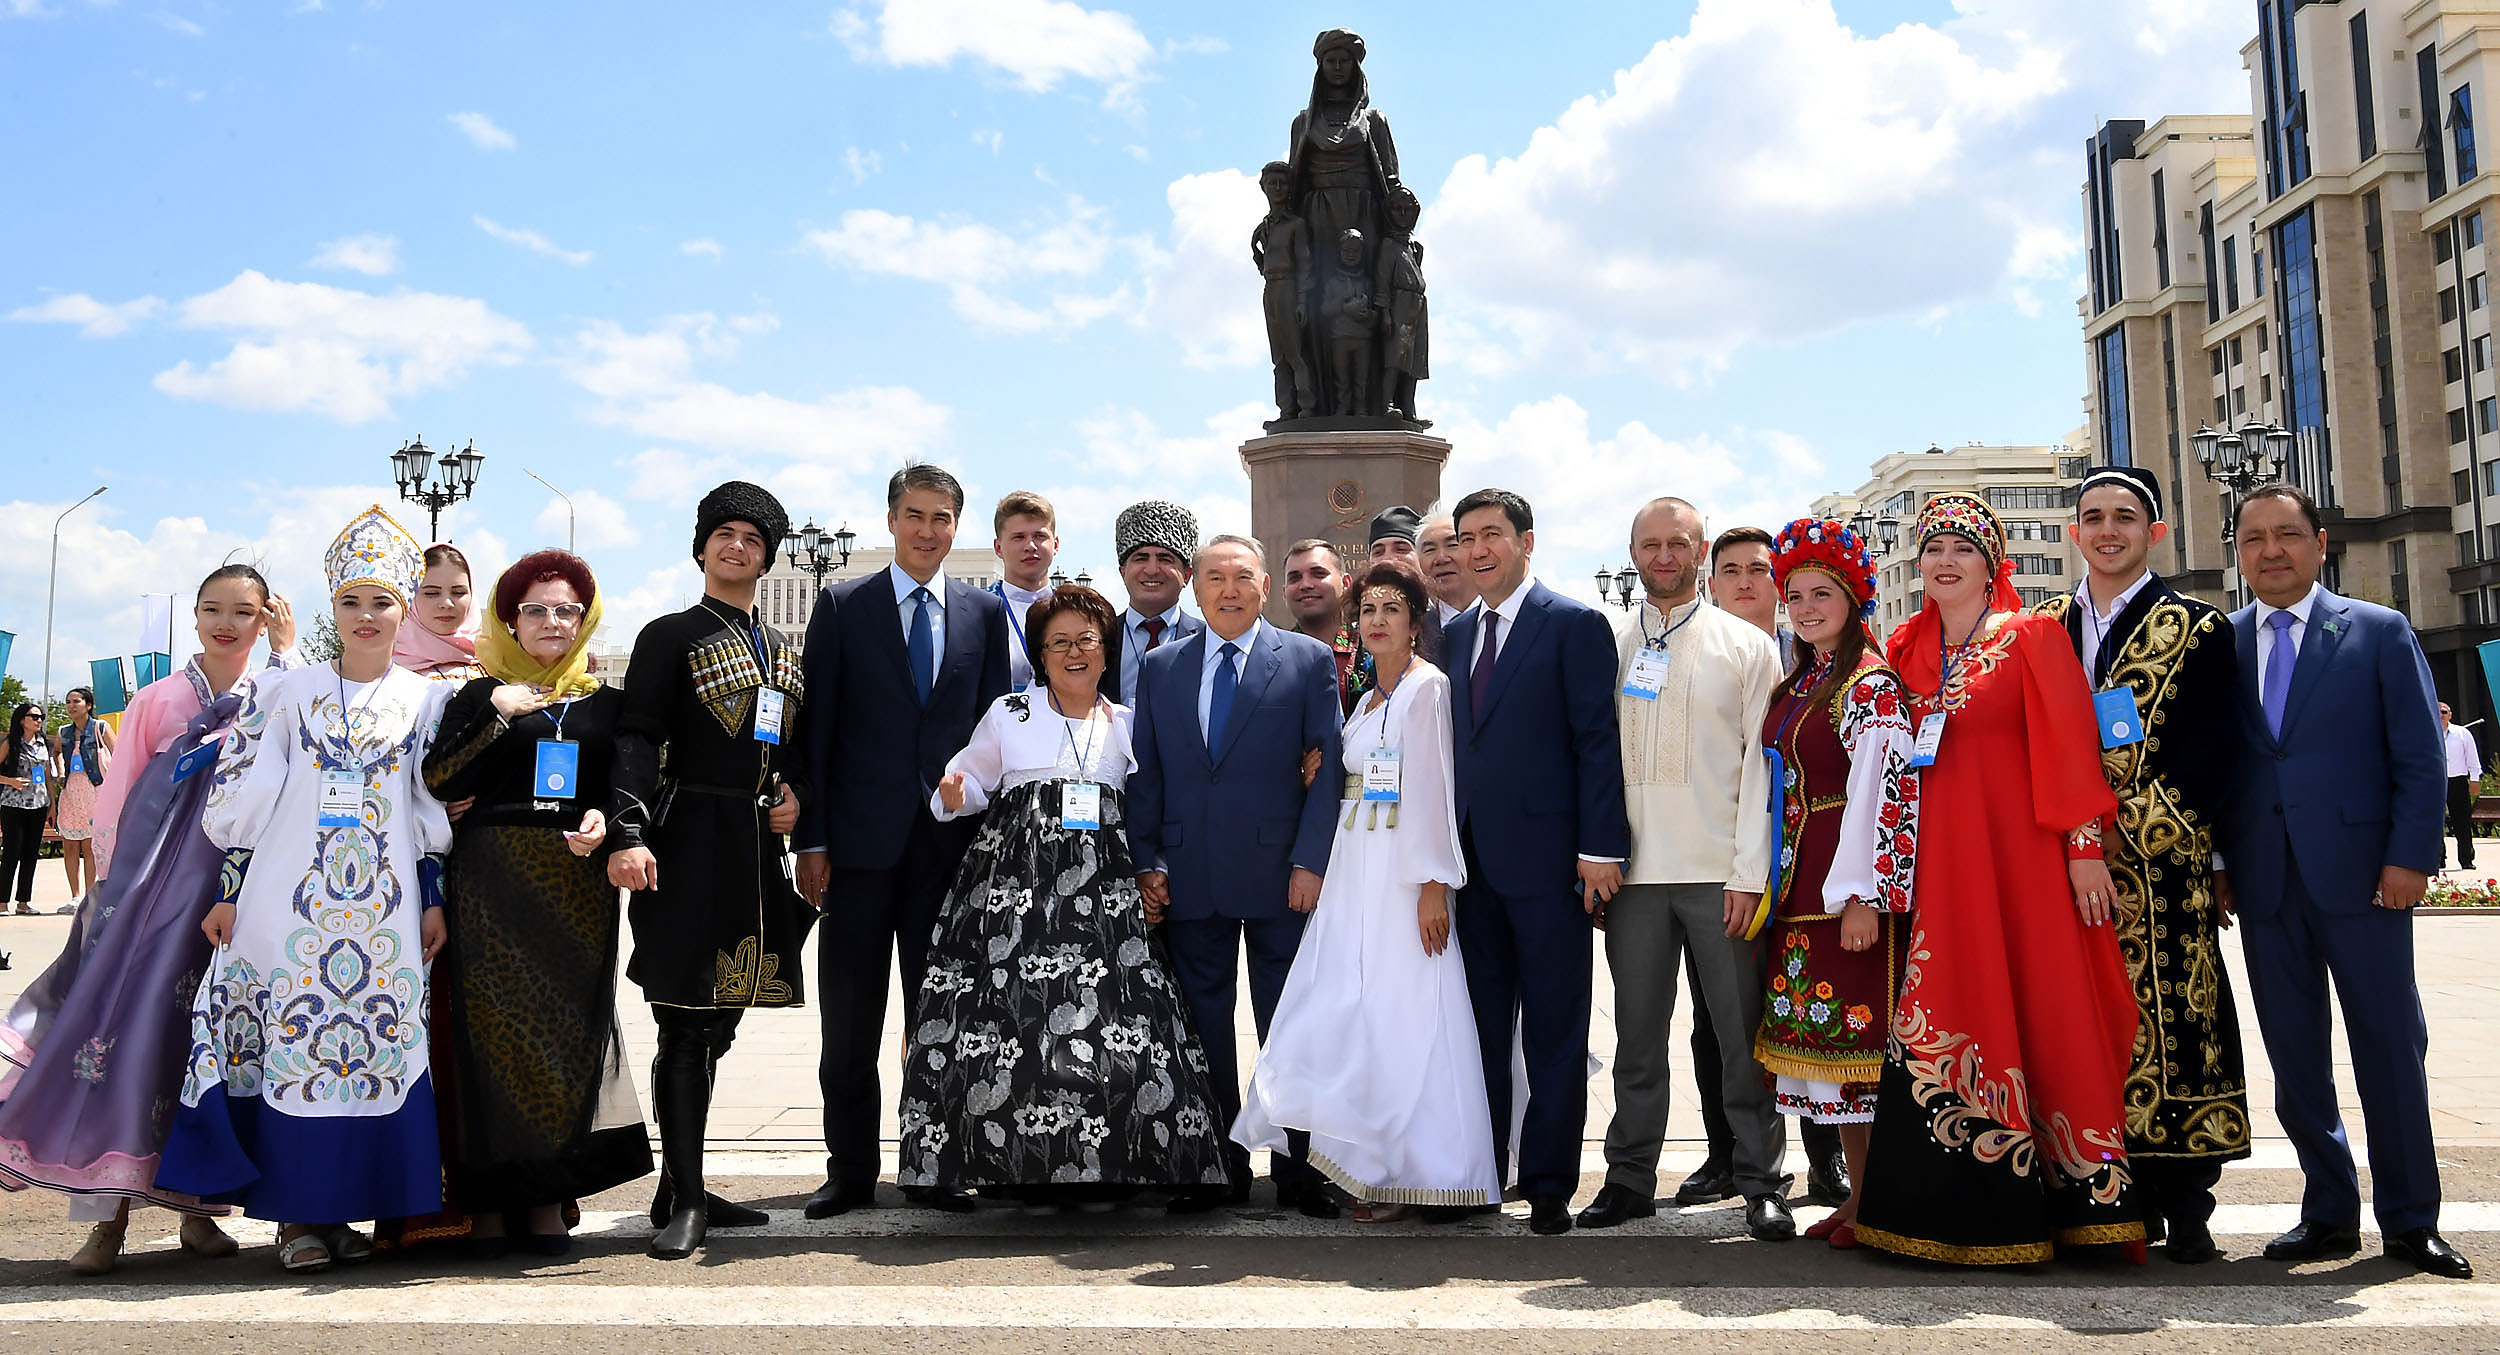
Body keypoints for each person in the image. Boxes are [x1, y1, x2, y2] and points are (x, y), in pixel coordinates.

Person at [157, 506, 455, 1275]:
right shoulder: (286, 692)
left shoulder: (427, 701)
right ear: (332, 608)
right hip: (290, 905)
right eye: (352, 601)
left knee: (374, 1049)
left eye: (382, 601)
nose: (367, 616)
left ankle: (353, 1212)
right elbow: (245, 800)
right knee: (296, 1047)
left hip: (383, 914)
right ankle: (297, 1220)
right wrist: (228, 889)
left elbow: (426, 813)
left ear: (404, 609)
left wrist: (432, 896)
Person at [1854, 491, 2141, 1266]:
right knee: (1950, 1001)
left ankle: (2074, 1206)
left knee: (2041, 1005)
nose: (1945, 561)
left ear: (1992, 565)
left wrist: (2084, 844)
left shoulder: (2030, 637)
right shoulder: (1905, 648)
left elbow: (2069, 742)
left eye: (1964, 549)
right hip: (1938, 871)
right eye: (1934, 547)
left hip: (2020, 866)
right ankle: (1952, 1215)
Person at [899, 586, 1232, 1211]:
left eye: (1086, 640)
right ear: (1041, 654)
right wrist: (952, 792)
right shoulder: (1011, 712)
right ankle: (1014, 1167)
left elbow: (1155, 803)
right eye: (1058, 643)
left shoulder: (1131, 724)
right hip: (1013, 894)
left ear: (1106, 651)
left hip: (1103, 898)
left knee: (1111, 1025)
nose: (1074, 653)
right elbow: (971, 781)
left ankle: (1111, 1165)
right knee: (1010, 1026)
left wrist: (1149, 873)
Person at [0, 565, 293, 1274]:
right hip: (152, 901)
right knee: (123, 1042)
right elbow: (120, 798)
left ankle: (197, 1212)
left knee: (203, 1044)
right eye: (212, 608)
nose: (227, 622)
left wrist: (286, 650)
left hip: (236, 896)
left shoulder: (278, 690)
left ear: (266, 619)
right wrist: (109, 888)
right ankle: (105, 1219)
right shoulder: (158, 700)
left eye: (245, 611)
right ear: (193, 616)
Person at [2216, 482, 2470, 1279]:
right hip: (2264, 883)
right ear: (2239, 551)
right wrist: (2223, 863)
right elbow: (2219, 767)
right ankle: (2326, 1211)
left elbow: (2420, 759)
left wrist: (2411, 858)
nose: (2270, 551)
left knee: (2391, 1048)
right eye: (2253, 538)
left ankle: (2409, 1220)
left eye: (2286, 534)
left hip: (2365, 880)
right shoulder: (2221, 642)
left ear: (2320, 542)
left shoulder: (2378, 631)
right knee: (2295, 1059)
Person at [2037, 466, 2251, 1264]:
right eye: (2092, 516)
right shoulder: (2044, 627)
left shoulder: (2198, 626)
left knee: (2175, 1020)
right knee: (2082, 1022)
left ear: (2154, 531)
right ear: (2074, 533)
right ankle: (2105, 1192)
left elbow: (2211, 752)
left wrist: (2125, 833)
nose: (2107, 529)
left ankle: (2185, 1200)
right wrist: (2072, 838)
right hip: (2063, 866)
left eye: (2124, 517)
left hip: (2161, 871)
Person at [1236, 561, 1495, 1220]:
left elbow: (1435, 788)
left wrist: (1433, 882)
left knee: (1409, 1012)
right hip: (1356, 865)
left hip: (1402, 873)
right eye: (1368, 610)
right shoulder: (1368, 697)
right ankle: (1368, 1164)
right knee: (1355, 1010)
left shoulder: (1426, 688)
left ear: (1415, 623)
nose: (1377, 620)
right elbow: (1354, 775)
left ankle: (1420, 1169)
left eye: (1392, 609)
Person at [417, 551, 652, 1258]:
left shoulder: (609, 703)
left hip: (574, 886)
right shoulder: (477, 693)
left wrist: (607, 823)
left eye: (567, 610)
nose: (553, 621)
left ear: (586, 620)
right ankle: (489, 1205)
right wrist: (497, 710)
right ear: (510, 618)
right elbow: (437, 778)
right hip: (489, 880)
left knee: (565, 1039)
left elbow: (630, 784)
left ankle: (549, 1197)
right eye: (537, 609)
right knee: (492, 1047)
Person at [794, 464, 1012, 1219]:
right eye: (914, 515)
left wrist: (980, 816)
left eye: (942, 517)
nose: (927, 530)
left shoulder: (983, 614)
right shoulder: (843, 604)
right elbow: (815, 729)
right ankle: (849, 1168)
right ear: (891, 520)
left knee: (942, 1018)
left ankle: (936, 1163)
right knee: (849, 1021)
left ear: (958, 525)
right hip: (855, 849)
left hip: (947, 852)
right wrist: (811, 840)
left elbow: (994, 730)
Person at [607, 481, 811, 1259]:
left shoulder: (784, 651)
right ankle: (686, 1197)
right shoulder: (670, 634)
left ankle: (677, 1182)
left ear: (768, 555)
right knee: (684, 1017)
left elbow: (797, 751)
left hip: (757, 848)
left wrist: (802, 798)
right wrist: (630, 829)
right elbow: (636, 733)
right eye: (724, 534)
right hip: (685, 837)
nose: (738, 547)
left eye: (753, 538)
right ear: (701, 547)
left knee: (724, 1012)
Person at [1578, 499, 1789, 1240]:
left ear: (1699, 549)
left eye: (1677, 543)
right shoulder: (1609, 642)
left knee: (1740, 1035)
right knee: (1638, 1037)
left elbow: (1766, 771)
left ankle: (1762, 1181)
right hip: (1632, 877)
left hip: (1718, 874)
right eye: (1649, 544)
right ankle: (1630, 1177)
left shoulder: (1746, 645)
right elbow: (1593, 759)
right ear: (1632, 552)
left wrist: (1747, 873)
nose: (1663, 555)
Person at [1129, 535, 1344, 1217]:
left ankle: (1299, 1165)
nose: (1228, 589)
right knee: (1204, 1026)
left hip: (1283, 877)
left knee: (1289, 1023)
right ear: (1195, 586)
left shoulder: (1306, 660)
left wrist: (1311, 860)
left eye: (1242, 577)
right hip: (1191, 873)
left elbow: (1329, 767)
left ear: (1264, 588)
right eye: (1216, 576)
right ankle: (1216, 1162)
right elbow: (1148, 773)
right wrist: (1147, 860)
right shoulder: (1161, 667)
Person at [1443, 489, 1628, 1235]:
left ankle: (1549, 1183)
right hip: (1471, 868)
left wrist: (1598, 849)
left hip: (1553, 866)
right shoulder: (1452, 637)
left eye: (1492, 534)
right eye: (1466, 538)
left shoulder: (1574, 624)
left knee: (1553, 1030)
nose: (1477, 548)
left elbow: (1595, 740)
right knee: (1479, 1031)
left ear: (1525, 540)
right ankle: (1482, 1172)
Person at [1750, 518, 1919, 1251]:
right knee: (1836, 1063)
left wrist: (1863, 896)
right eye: (1796, 595)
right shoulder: (1808, 676)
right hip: (1800, 884)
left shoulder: (1869, 683)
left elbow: (1886, 795)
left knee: (1864, 1054)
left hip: (1841, 889)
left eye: (1823, 593)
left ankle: (1883, 1199)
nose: (1807, 606)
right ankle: (1860, 1197)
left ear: (1855, 598)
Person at [1679, 523, 1848, 1211]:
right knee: (1716, 1018)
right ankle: (1725, 1154)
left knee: (1806, 1008)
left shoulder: (1816, 657)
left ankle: (1825, 1156)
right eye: (1731, 570)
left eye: (1759, 569)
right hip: (1722, 866)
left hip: (1805, 864)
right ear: (1710, 581)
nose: (1746, 581)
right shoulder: (1695, 657)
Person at [1105, 501, 1204, 706]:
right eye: (1141, 558)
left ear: (1187, 575)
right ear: (1123, 573)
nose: (1152, 570)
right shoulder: (1099, 638)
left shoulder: (1209, 640)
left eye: (1165, 559)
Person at [48, 686, 114, 914]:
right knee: (70, 845)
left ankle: (90, 896)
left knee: (90, 846)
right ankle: (75, 896)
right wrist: (59, 770)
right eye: (68, 701)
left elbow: (119, 755)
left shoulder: (100, 728)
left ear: (88, 705)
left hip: (95, 791)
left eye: (76, 701)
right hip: (71, 792)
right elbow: (56, 752)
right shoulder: (64, 732)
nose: (71, 705)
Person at [991, 490, 1060, 693]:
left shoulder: (1074, 610)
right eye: (1018, 537)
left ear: (1055, 545)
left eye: (1039, 536)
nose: (1030, 546)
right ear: (998, 547)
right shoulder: (977, 611)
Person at [1282, 538, 1362, 711]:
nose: (1305, 585)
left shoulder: (1374, 649)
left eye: (1318, 574)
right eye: (1295, 578)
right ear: (1284, 593)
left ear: (1346, 584)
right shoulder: (1272, 657)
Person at [395, 543, 487, 684]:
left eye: (458, 593)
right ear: (409, 597)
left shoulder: (496, 662)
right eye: (431, 593)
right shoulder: (381, 670)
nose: (447, 604)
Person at [1, 702, 49, 915]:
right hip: (13, 803)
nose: (38, 720)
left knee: (31, 854)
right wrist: (10, 781)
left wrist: (52, 805)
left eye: (41, 717)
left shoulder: (43, 743)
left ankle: (23, 901)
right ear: (22, 719)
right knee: (12, 852)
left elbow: (47, 775)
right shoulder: (10, 742)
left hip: (38, 804)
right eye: (34, 717)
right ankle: (2, 902)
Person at [1417, 513, 1476, 626]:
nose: (1441, 559)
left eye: (1452, 545)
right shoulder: (1414, 629)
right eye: (1430, 550)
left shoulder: (1501, 616)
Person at [2442, 703, 2480, 872]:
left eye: (2444, 712)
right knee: (2435, 822)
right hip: (2436, 783)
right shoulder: (2427, 734)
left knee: (2462, 822)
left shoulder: (2462, 734)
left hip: (2458, 782)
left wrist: (2474, 779)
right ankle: (2438, 859)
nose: (2440, 715)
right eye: (2437, 712)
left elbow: (2472, 757)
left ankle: (2466, 859)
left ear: (2450, 714)